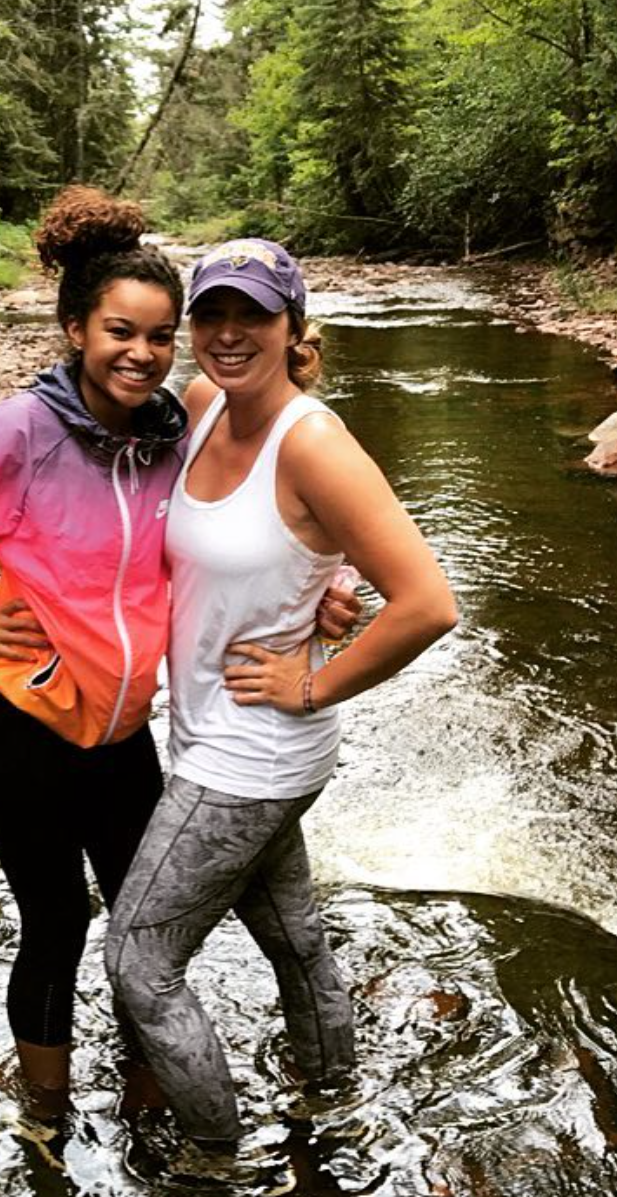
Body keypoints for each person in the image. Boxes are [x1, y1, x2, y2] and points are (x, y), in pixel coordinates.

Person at [0, 192, 356, 1115]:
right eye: (121, 331)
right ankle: (48, 1114)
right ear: (76, 328)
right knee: (58, 922)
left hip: (120, 728)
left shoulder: (171, 429)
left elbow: (254, 510)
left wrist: (328, 585)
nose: (141, 354)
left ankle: (150, 1098)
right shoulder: (18, 435)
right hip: (19, 719)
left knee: (143, 925)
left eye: (160, 337)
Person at [105, 237, 459, 1149]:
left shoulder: (316, 443)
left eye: (252, 316)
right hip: (209, 730)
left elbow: (427, 603)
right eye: (212, 313)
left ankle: (217, 1163)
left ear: (293, 328)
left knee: (140, 963)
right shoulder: (198, 402)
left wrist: (314, 684)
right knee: (293, 934)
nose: (228, 334)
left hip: (255, 750)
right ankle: (334, 1099)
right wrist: (323, 588)